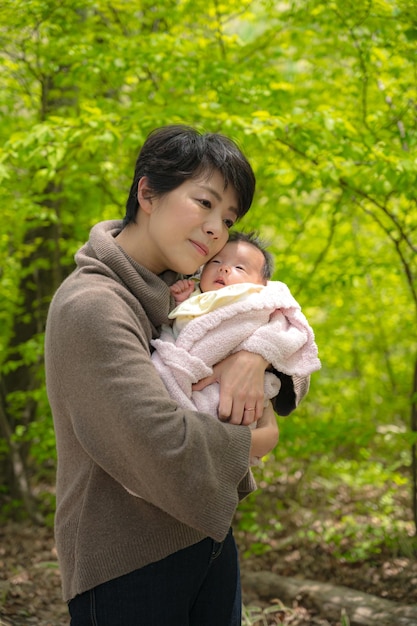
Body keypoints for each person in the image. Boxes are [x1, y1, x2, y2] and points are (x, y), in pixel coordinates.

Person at [44, 124, 309, 626]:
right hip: (127, 561)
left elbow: (290, 339)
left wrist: (252, 357)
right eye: (204, 203)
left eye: (228, 218)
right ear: (147, 192)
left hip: (207, 542)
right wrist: (257, 433)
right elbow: (162, 444)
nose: (216, 229)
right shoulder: (92, 305)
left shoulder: (192, 296)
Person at [149, 231, 321, 465]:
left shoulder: (256, 302)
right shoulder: (197, 295)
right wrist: (182, 300)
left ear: (262, 284)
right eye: (217, 262)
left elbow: (286, 336)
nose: (225, 269)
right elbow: (182, 326)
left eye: (240, 268)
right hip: (184, 374)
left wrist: (258, 353)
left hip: (229, 392)